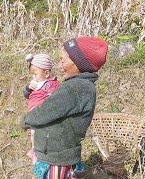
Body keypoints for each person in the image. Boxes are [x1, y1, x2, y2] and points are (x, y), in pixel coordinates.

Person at [20, 36, 108, 179]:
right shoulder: (84, 86)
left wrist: (25, 121)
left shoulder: (74, 88)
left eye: (62, 60)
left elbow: (46, 111)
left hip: (56, 158)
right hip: (63, 154)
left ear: (78, 63)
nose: (60, 66)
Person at [22, 53, 59, 165]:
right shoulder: (36, 83)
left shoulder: (51, 84)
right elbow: (25, 94)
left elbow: (51, 100)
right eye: (32, 74)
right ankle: (34, 150)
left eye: (35, 74)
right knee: (33, 134)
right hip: (33, 115)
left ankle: (37, 153)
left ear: (46, 73)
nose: (33, 77)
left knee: (39, 136)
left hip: (41, 116)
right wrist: (28, 88)